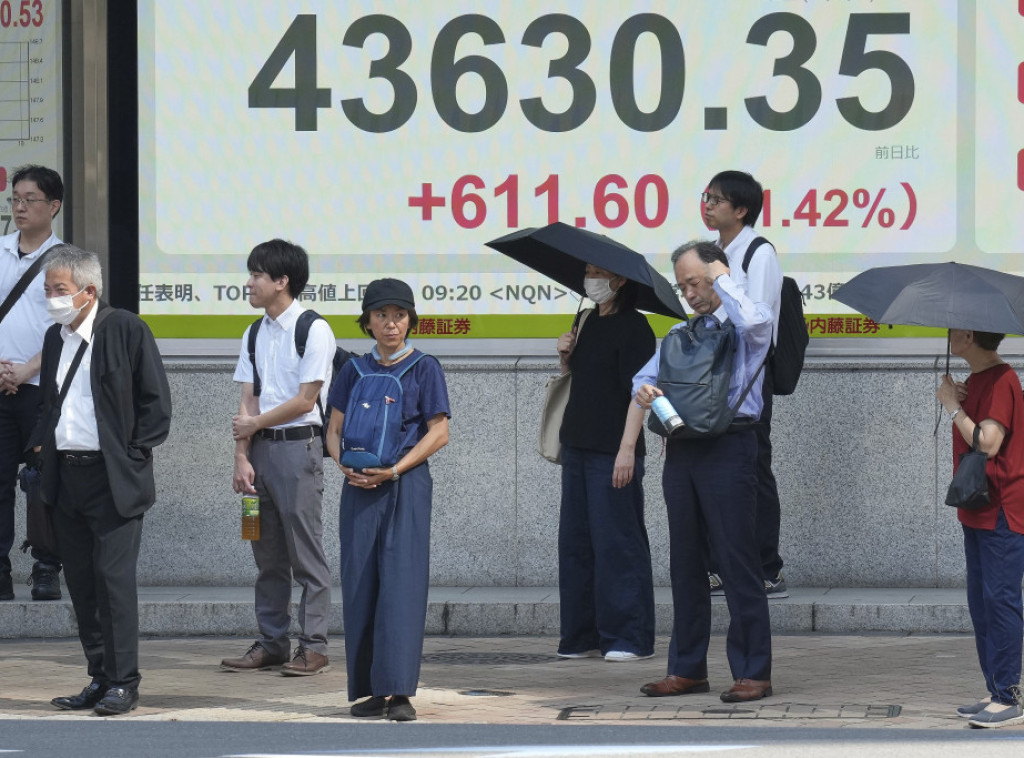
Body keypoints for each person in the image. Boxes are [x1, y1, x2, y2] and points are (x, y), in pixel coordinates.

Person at [30, 245, 171, 715]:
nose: (51, 297)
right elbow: (51, 404)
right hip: (65, 477)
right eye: (48, 289)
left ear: (88, 292)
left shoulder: (126, 329)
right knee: (83, 585)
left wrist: (132, 454)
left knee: (113, 583)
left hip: (112, 479)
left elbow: (156, 403)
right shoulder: (55, 338)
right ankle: (99, 675)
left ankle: (124, 682)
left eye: (60, 290)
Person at [633, 240, 774, 703]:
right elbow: (642, 377)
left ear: (717, 274)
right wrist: (650, 394)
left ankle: (753, 671)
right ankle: (687, 668)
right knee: (685, 564)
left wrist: (722, 277)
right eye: (683, 286)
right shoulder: (680, 334)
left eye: (696, 283)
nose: (689, 294)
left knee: (737, 562)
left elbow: (757, 320)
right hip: (683, 450)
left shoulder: (745, 326)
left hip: (732, 446)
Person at [325, 278, 450, 722]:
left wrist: (396, 469)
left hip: (405, 486)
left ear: (410, 320)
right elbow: (333, 429)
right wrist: (344, 465)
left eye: (399, 315)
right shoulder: (352, 370)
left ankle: (398, 692)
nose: (391, 323)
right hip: (358, 487)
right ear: (368, 322)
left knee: (401, 584)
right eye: (381, 315)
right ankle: (369, 689)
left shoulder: (425, 368)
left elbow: (440, 431)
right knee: (360, 584)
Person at [223, 239, 335, 676]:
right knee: (265, 553)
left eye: (257, 275)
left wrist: (253, 425)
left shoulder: (313, 329)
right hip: (260, 453)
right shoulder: (254, 332)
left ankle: (314, 645)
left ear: (282, 281)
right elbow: (246, 399)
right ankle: (272, 642)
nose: (249, 283)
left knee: (305, 553)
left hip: (297, 450)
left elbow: (307, 400)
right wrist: (241, 454)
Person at [554, 264, 656, 662]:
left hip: (614, 450)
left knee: (618, 542)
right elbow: (581, 381)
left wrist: (627, 449)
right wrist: (566, 357)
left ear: (621, 279)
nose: (590, 279)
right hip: (577, 445)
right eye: (587, 271)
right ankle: (581, 636)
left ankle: (629, 637)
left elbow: (640, 394)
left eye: (599, 272)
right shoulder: (585, 321)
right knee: (576, 544)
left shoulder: (636, 328)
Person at [701, 170, 786, 599]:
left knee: (753, 468)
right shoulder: (712, 252)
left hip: (749, 376)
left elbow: (759, 321)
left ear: (741, 209)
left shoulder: (758, 253)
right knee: (715, 467)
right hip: (714, 370)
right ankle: (719, 566)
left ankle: (767, 568)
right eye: (707, 197)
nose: (708, 205)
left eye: (717, 199)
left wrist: (720, 279)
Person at [936, 329, 1024, 728]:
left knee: (1001, 600)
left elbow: (988, 443)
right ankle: (995, 691)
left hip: (1002, 508)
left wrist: (954, 408)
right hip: (979, 507)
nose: (949, 335)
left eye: (953, 330)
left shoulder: (1003, 380)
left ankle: (1009, 695)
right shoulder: (980, 381)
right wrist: (962, 401)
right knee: (981, 603)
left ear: (968, 335)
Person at [0, 165, 65, 601]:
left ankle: (45, 567)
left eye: (30, 200)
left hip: (43, 392)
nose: (20, 207)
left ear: (53, 206)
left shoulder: (70, 263)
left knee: (43, 482)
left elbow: (72, 331)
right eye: (15, 200)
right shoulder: (0, 251)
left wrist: (26, 371)